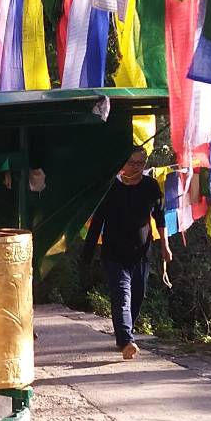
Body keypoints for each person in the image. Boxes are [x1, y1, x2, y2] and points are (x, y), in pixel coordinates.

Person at [81, 150, 167, 359]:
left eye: (141, 163)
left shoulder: (150, 186)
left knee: (137, 295)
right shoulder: (111, 188)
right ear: (123, 164)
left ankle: (123, 336)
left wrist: (165, 245)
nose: (136, 167)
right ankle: (127, 340)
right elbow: (97, 223)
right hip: (115, 254)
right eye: (132, 162)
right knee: (122, 297)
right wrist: (87, 253)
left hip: (141, 254)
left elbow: (160, 217)